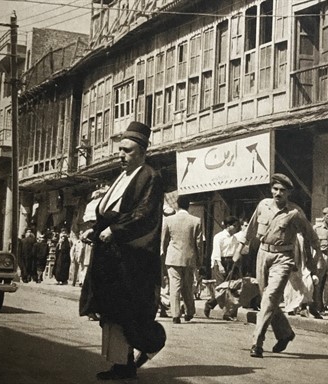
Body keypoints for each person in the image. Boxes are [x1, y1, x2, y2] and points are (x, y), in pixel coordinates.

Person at [79, 121, 166, 380]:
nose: (121, 155)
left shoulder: (149, 176)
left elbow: (144, 214)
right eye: (120, 150)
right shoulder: (122, 177)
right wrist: (94, 231)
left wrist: (115, 231)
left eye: (127, 151)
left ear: (142, 152)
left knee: (128, 312)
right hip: (111, 258)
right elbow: (110, 214)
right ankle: (122, 363)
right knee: (111, 311)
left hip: (132, 260)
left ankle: (148, 346)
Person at [244, 173, 322, 358]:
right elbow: (251, 229)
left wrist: (314, 260)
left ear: (288, 193)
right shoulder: (263, 205)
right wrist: (242, 249)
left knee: (270, 297)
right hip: (263, 254)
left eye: (282, 190)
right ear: (271, 189)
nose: (278, 193)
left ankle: (257, 342)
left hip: (284, 257)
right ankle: (285, 333)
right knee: (266, 298)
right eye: (275, 189)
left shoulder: (295, 213)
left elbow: (312, 237)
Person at [161, 195, 203, 324]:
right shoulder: (196, 221)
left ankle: (175, 315)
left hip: (173, 258)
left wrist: (163, 254)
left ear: (177, 205)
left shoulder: (169, 220)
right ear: (188, 205)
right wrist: (199, 260)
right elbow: (199, 244)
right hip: (189, 258)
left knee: (175, 286)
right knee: (188, 286)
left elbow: (164, 240)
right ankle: (189, 311)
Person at [204, 216, 241, 321]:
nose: (236, 228)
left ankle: (229, 313)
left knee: (233, 288)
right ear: (228, 226)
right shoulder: (219, 237)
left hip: (231, 262)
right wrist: (220, 265)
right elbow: (216, 252)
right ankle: (210, 304)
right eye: (234, 226)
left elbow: (237, 251)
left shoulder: (235, 238)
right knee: (222, 289)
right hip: (220, 261)